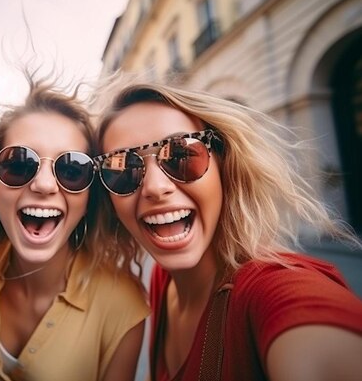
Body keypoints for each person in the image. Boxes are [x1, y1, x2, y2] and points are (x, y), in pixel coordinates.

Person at [92, 76, 362, 381]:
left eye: (181, 154)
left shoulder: (273, 292)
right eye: (123, 169)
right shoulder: (162, 281)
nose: (155, 188)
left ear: (224, 164)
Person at [0, 77, 150, 381]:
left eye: (71, 170)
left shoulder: (124, 304)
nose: (43, 185)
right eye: (18, 164)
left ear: (89, 195)